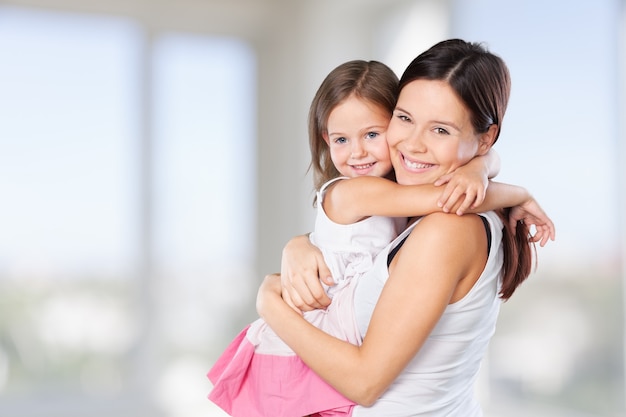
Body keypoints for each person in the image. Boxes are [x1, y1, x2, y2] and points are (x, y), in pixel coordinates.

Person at [208, 57, 553, 417]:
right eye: (405, 119)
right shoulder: (409, 208)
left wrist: (270, 302)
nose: (414, 144)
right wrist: (496, 178)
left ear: (485, 138)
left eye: (440, 130)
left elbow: (364, 383)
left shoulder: (449, 226)